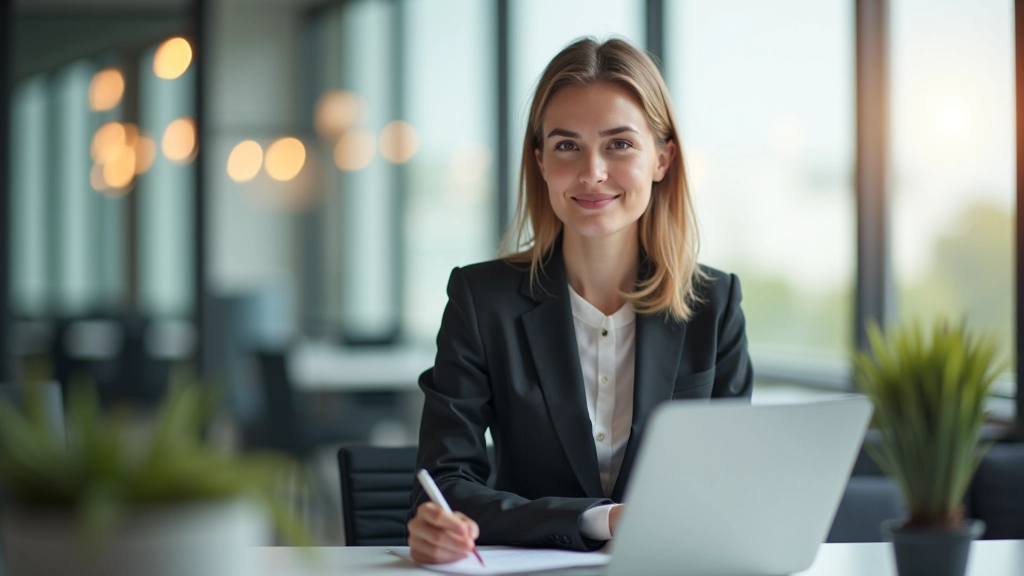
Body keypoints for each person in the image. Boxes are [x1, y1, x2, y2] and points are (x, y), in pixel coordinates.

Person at [407, 37, 753, 564]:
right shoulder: (482, 301)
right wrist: (603, 519)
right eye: (567, 146)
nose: (592, 172)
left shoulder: (715, 303)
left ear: (663, 158)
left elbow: (734, 487)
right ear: (540, 161)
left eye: (619, 145)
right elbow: (445, 483)